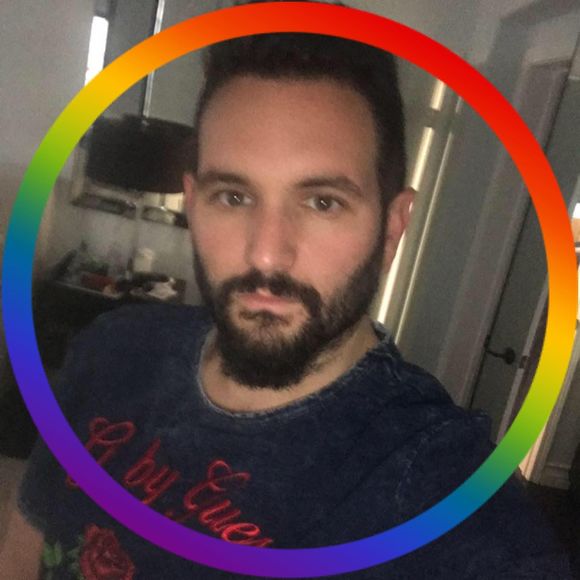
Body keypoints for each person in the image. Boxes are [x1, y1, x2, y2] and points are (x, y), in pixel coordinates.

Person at [0, 2, 573, 578]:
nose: (266, 255)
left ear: (391, 228)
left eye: (322, 202)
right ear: (193, 203)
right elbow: (27, 543)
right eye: (234, 197)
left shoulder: (435, 491)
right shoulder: (112, 349)